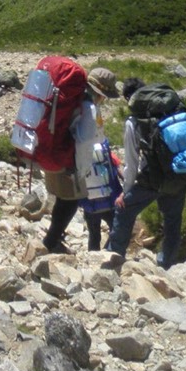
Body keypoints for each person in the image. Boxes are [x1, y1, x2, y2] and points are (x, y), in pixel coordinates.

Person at [105, 77, 186, 269]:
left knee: (124, 210)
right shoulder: (169, 112)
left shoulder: (134, 121)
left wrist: (125, 191)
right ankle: (167, 263)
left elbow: (132, 163)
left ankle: (113, 259)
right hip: (177, 172)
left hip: (153, 178)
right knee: (172, 219)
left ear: (128, 99)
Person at [40, 77, 116, 253]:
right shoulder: (88, 106)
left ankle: (53, 239)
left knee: (62, 200)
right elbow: (84, 141)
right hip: (69, 160)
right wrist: (81, 170)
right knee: (70, 202)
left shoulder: (73, 98)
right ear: (100, 93)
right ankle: (50, 242)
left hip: (52, 152)